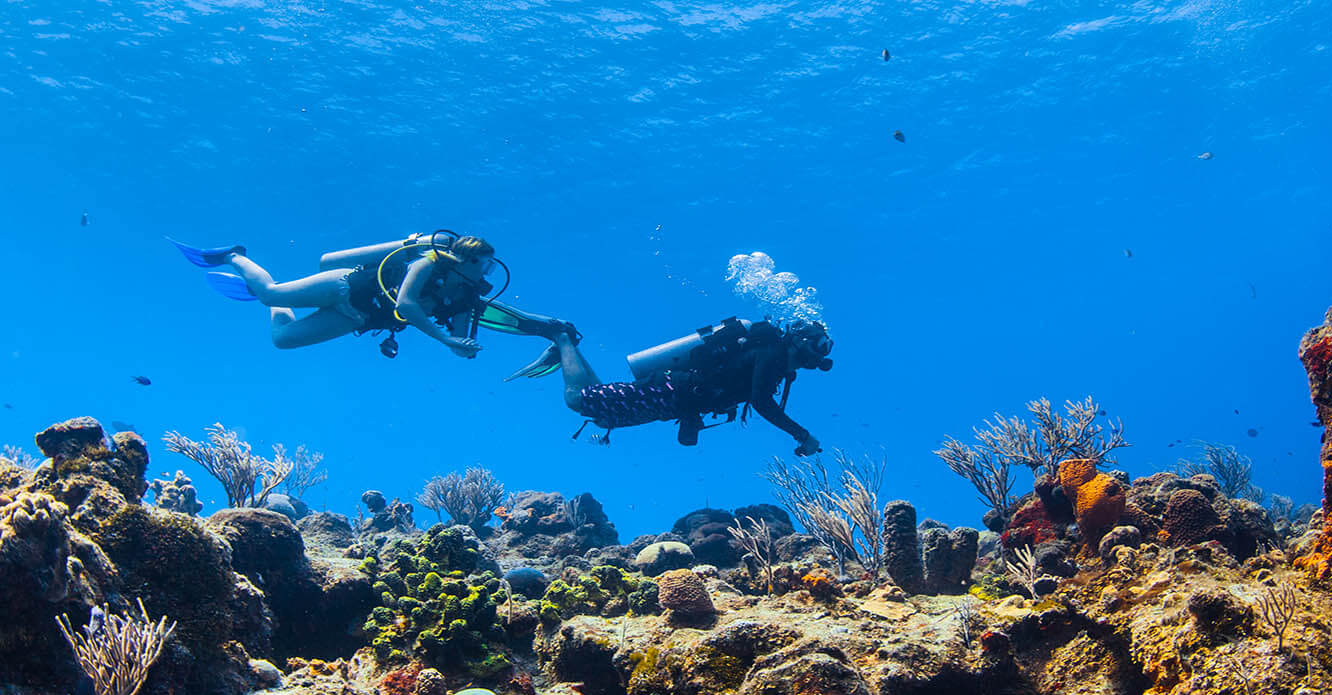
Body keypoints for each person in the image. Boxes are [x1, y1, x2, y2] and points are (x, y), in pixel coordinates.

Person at [502, 313, 833, 455]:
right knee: (578, 400)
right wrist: (801, 434)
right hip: (672, 391)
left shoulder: (772, 358)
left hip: (675, 400)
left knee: (605, 414)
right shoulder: (772, 353)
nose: (816, 360)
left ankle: (568, 347)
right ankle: (561, 336)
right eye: (817, 349)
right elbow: (761, 402)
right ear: (802, 342)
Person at [167, 231, 505, 358]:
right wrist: (444, 340)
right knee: (270, 294)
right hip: (344, 284)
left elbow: (461, 345)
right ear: (466, 260)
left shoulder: (464, 298)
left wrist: (464, 346)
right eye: (485, 267)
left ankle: (278, 295)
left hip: (355, 317)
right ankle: (233, 255)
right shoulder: (428, 263)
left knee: (283, 339)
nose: (485, 275)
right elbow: (406, 304)